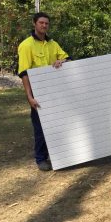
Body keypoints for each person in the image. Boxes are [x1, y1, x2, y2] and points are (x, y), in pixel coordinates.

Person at [18, 12, 71, 171]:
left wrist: (61, 60)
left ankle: (58, 154)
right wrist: (29, 96)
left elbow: (68, 58)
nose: (44, 26)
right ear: (34, 23)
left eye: (46, 23)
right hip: (38, 92)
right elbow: (24, 73)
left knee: (57, 123)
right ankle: (41, 158)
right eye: (41, 23)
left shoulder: (52, 44)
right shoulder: (26, 45)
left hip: (56, 92)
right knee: (40, 126)